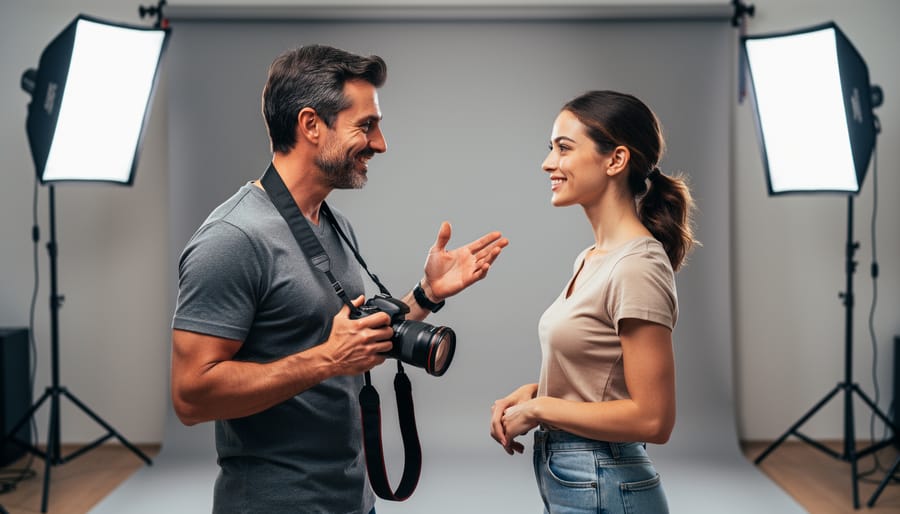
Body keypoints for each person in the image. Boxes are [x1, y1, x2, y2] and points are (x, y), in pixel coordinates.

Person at [170, 44, 507, 514]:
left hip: (352, 499)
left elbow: (352, 335)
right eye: (366, 125)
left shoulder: (333, 224)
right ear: (311, 125)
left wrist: (426, 295)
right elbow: (191, 396)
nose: (381, 143)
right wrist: (325, 361)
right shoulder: (232, 238)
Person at [489, 90, 696, 513]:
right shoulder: (592, 258)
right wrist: (532, 394)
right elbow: (601, 376)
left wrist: (542, 408)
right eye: (551, 149)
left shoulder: (637, 265)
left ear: (615, 160)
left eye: (564, 148)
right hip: (580, 476)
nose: (549, 163)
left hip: (605, 479)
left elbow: (654, 419)